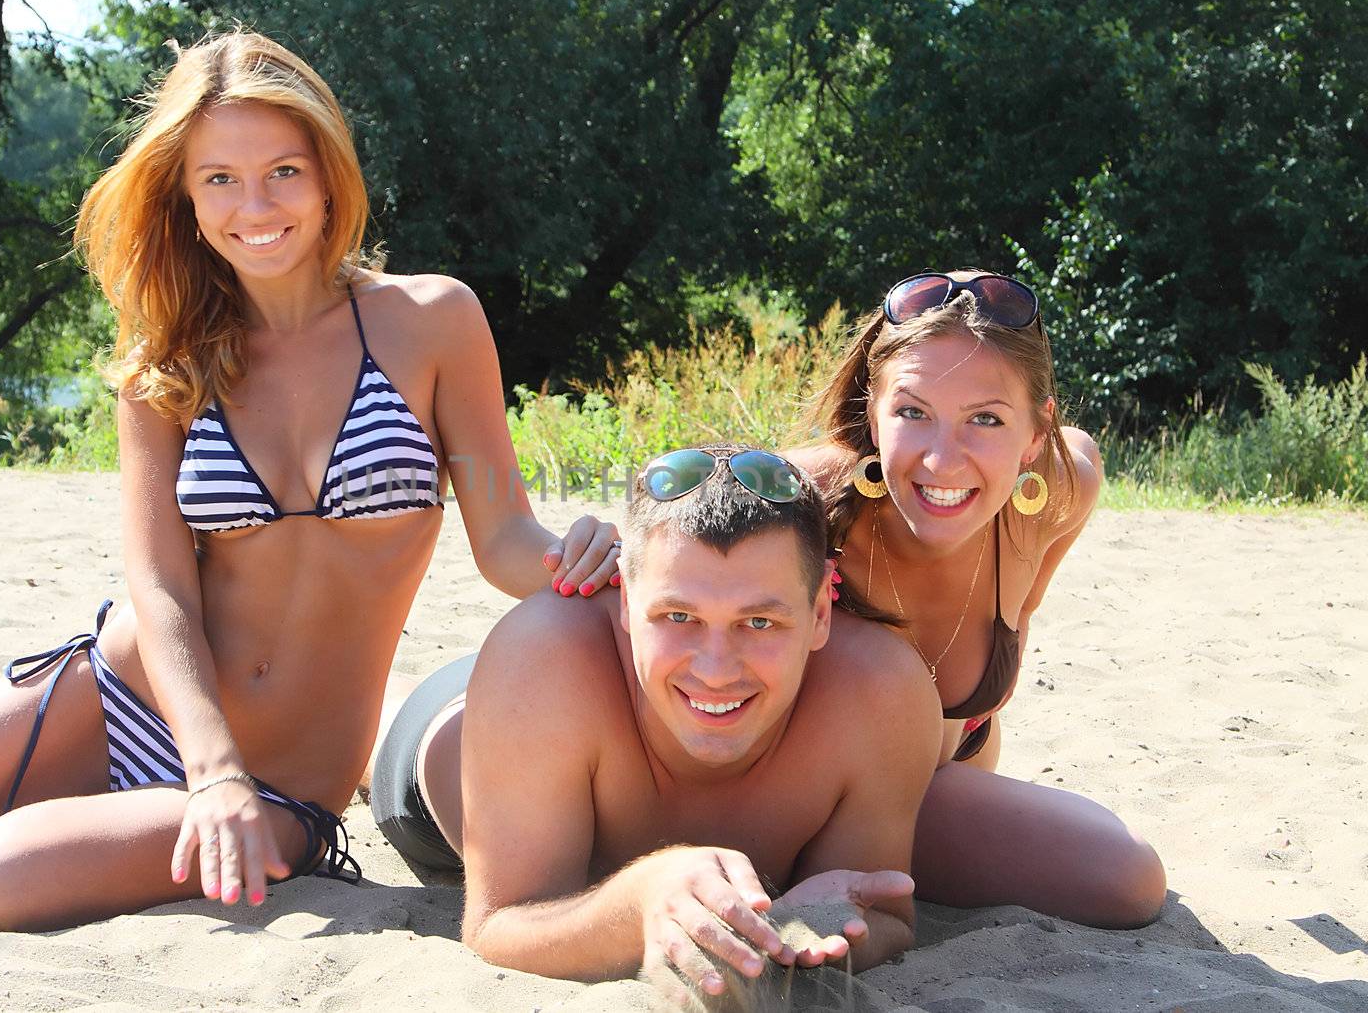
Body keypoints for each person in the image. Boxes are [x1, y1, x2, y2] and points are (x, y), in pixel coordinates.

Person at [0, 30, 619, 929]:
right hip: (122, 701)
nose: (255, 205)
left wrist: (582, 556)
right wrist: (207, 766)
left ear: (329, 172)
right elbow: (162, 583)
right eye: (219, 178)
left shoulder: (433, 322)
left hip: (279, 786)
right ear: (184, 192)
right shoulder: (165, 362)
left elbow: (504, 539)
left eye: (283, 170)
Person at [372, 444, 941, 995]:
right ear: (624, 602)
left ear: (820, 611)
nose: (717, 670)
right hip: (466, 732)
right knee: (379, 726)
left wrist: (823, 935)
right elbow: (497, 924)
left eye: (760, 623)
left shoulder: (882, 690)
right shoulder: (541, 657)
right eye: (678, 616)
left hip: (575, 702)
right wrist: (643, 899)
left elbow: (887, 915)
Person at [788, 269, 1166, 927]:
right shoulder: (806, 501)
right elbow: (676, 507)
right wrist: (583, 540)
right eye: (913, 412)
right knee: (1126, 875)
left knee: (1132, 883)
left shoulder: (1062, 489)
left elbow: (1029, 595)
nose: (941, 460)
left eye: (985, 418)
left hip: (954, 776)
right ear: (872, 412)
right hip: (844, 800)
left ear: (1034, 436)